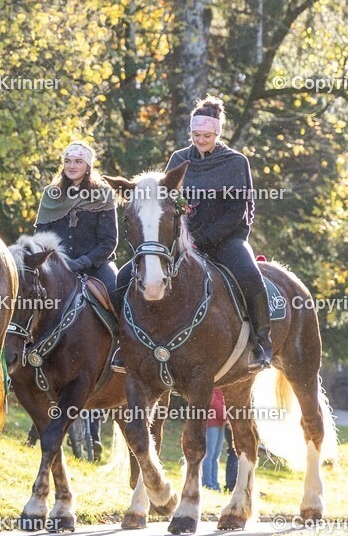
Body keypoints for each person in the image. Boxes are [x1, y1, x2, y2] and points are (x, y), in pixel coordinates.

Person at [113, 95, 272, 371]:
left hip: (225, 239)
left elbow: (237, 212)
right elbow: (164, 203)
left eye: (206, 135)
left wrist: (205, 238)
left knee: (249, 273)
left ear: (217, 133)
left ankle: (261, 342)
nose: (200, 140)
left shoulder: (235, 162)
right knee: (125, 276)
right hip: (182, 239)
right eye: (196, 134)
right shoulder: (179, 159)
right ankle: (124, 343)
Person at [34, 141, 119, 293]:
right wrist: (59, 261)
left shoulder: (103, 194)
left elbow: (109, 240)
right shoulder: (50, 195)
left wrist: (83, 262)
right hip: (57, 266)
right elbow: (40, 237)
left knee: (116, 291)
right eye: (68, 161)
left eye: (78, 161)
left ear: (88, 166)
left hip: (96, 266)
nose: (71, 166)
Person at [202, 387, 226, 490]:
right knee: (209, 454)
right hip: (211, 423)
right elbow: (214, 402)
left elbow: (224, 402)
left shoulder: (222, 386)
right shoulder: (212, 385)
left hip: (221, 423)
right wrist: (227, 417)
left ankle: (215, 483)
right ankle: (208, 483)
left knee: (216, 455)